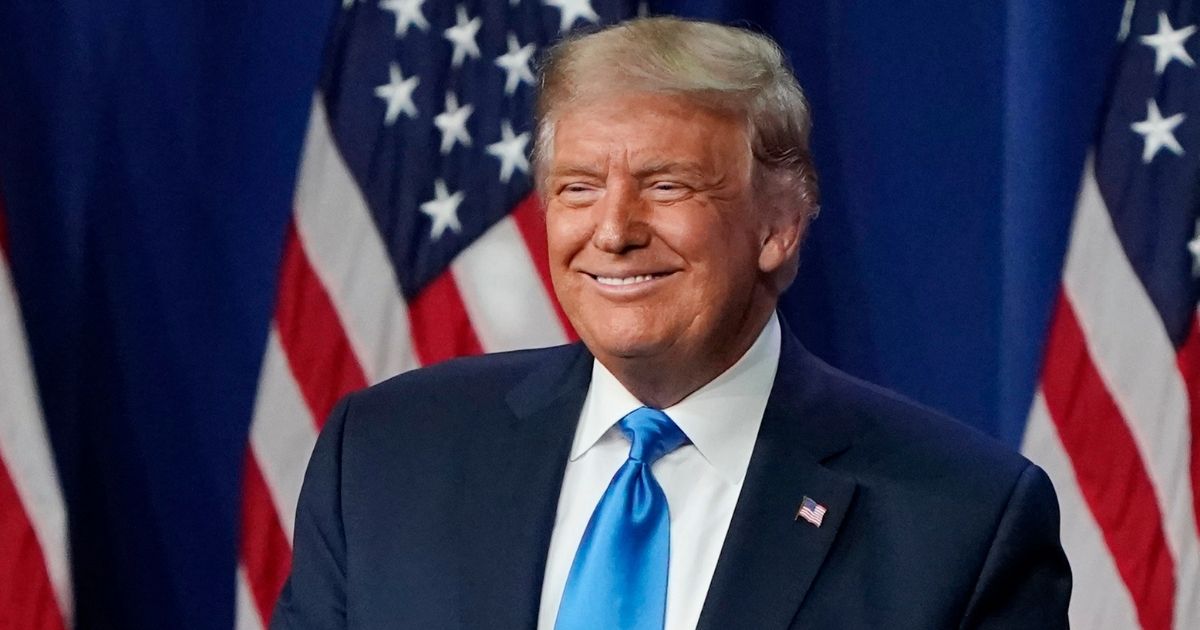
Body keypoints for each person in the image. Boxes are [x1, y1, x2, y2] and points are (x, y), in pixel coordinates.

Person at [272, 17, 1071, 630]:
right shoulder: (384, 456)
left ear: (777, 228)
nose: (612, 230)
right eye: (579, 188)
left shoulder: (960, 522)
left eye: (667, 186)